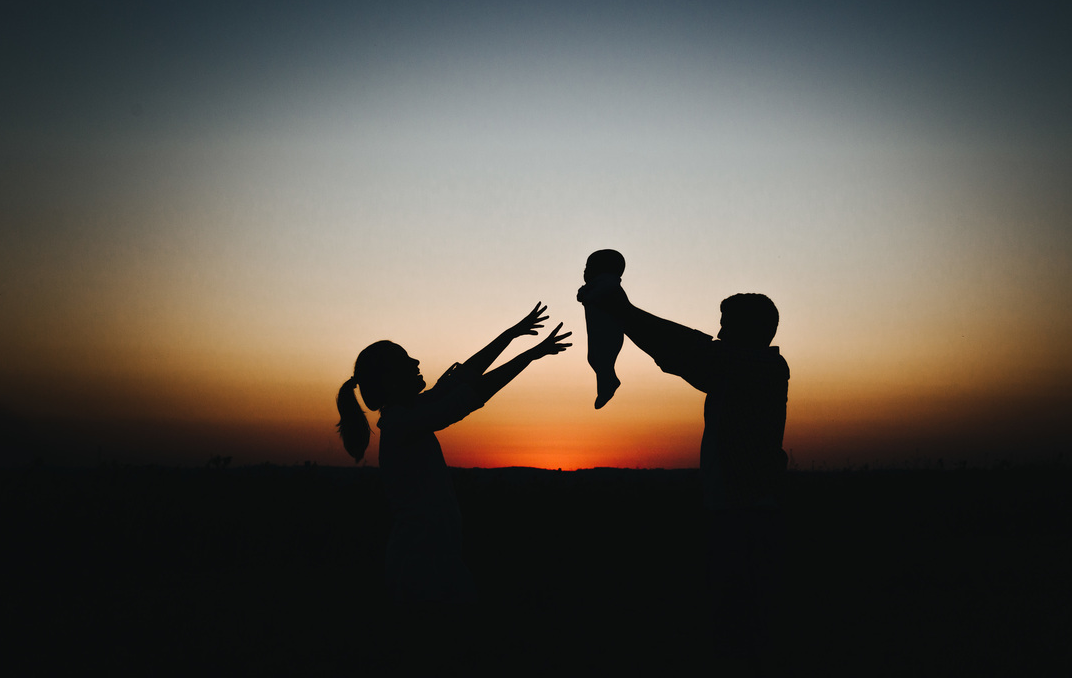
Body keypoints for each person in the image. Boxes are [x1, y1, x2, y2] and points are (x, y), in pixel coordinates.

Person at [579, 279, 789, 665]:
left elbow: (685, 349)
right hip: (736, 511)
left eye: (728, 324)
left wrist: (623, 311)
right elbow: (685, 352)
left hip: (745, 517)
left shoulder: (760, 367)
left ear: (754, 330)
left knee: (739, 626)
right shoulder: (744, 368)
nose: (721, 332)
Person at [336, 302, 571, 605]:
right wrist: (529, 353)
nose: (417, 361)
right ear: (391, 380)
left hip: (432, 559)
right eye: (407, 360)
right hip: (421, 566)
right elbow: (471, 393)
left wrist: (512, 335)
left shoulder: (408, 413)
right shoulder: (401, 423)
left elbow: (465, 377)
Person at [576, 249, 626, 408]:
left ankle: (608, 385)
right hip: (597, 332)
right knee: (594, 358)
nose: (584, 271)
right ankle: (607, 384)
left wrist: (587, 296)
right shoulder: (595, 286)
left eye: (588, 266)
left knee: (598, 358)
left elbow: (598, 295)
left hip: (609, 333)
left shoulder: (608, 284)